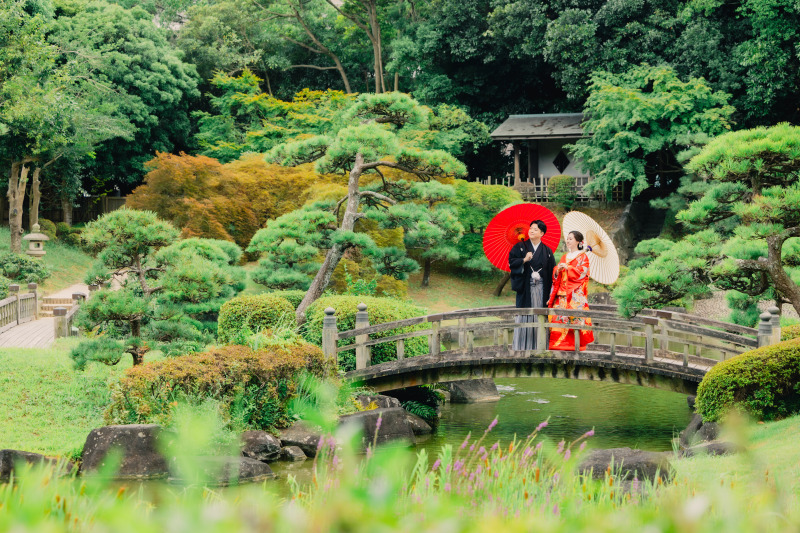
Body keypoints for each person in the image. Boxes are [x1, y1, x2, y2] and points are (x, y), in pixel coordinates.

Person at [509, 220, 556, 350]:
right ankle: (522, 347)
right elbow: (511, 263)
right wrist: (524, 259)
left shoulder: (547, 251)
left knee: (540, 315)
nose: (531, 231)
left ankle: (540, 346)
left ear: (542, 233)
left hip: (542, 289)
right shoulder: (519, 247)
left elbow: (552, 272)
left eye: (535, 229)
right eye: (530, 228)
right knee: (525, 315)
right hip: (526, 289)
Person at [547, 230, 595, 351]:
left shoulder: (583, 257)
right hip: (561, 293)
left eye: (571, 239)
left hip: (575, 294)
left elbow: (583, 272)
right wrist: (557, 271)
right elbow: (556, 273)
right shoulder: (565, 256)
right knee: (558, 318)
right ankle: (558, 345)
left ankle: (576, 345)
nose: (568, 241)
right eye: (567, 238)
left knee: (575, 319)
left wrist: (569, 268)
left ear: (578, 241)